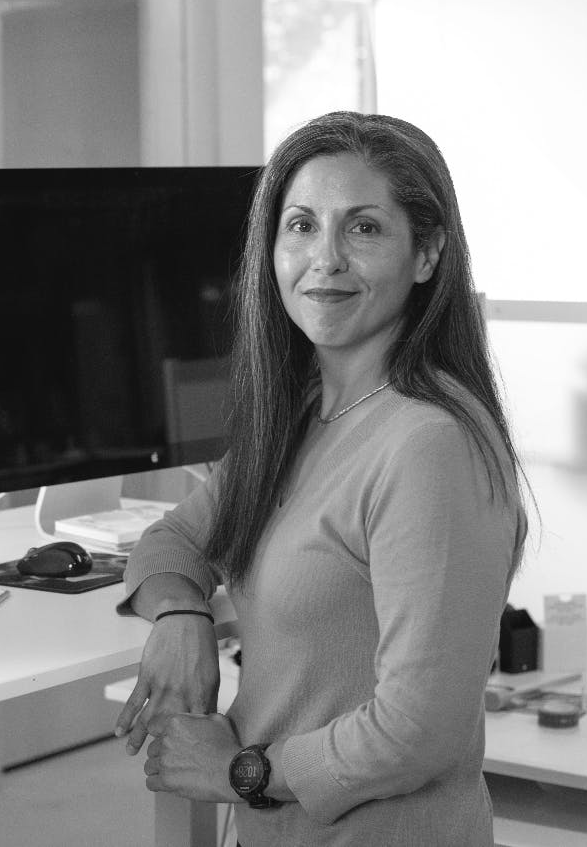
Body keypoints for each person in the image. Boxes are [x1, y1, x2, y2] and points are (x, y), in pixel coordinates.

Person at [113, 111, 528, 846]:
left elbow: (417, 729)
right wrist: (182, 617)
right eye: (301, 225)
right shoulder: (302, 413)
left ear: (427, 252)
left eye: (363, 228)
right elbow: (174, 538)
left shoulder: (428, 444)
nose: (324, 258)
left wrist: (243, 770)